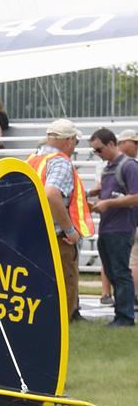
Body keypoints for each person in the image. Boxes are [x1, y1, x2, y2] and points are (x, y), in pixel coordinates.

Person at [26, 119, 90, 322]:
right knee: (64, 286)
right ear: (69, 140)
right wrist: (70, 230)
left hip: (34, 235)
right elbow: (52, 194)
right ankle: (62, 327)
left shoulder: (32, 159)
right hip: (57, 237)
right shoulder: (60, 161)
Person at [90, 128, 138, 327]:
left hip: (121, 228)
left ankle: (125, 318)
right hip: (108, 227)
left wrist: (107, 203)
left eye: (99, 150)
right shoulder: (109, 167)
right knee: (112, 272)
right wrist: (96, 198)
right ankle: (121, 315)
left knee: (120, 273)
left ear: (111, 144)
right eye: (95, 151)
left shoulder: (129, 166)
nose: (98, 154)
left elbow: (135, 197)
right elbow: (110, 193)